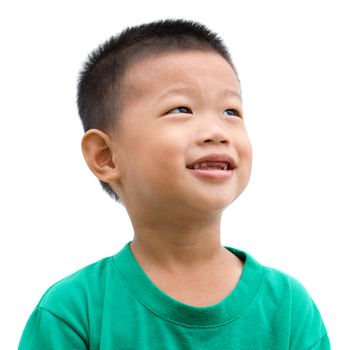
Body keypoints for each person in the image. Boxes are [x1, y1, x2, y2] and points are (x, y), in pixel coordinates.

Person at [19, 19, 330, 349]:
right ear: (106, 156)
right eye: (181, 109)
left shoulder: (290, 308)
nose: (217, 132)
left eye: (231, 111)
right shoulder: (73, 312)